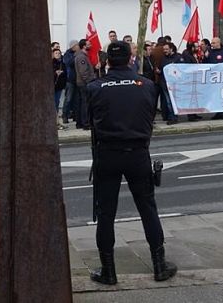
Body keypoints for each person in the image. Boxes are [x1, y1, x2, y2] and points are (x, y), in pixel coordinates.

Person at [87, 41, 177, 285]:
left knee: (106, 213)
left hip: (107, 153)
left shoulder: (95, 87)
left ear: (107, 61)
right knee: (147, 208)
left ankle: (108, 271)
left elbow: (89, 120)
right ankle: (159, 265)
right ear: (130, 59)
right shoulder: (147, 85)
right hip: (138, 153)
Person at [75, 39, 97, 130]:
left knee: (84, 103)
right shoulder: (81, 57)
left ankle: (81, 122)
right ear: (84, 46)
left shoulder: (83, 56)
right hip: (85, 83)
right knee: (85, 103)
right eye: (88, 44)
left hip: (85, 83)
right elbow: (83, 72)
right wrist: (89, 82)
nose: (90, 45)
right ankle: (85, 123)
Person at [159, 43, 181, 125]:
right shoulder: (163, 58)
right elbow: (161, 69)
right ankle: (171, 116)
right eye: (164, 49)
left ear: (171, 49)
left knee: (172, 101)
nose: (164, 51)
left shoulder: (178, 58)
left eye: (166, 49)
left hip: (174, 84)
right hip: (165, 83)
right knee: (168, 101)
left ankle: (174, 117)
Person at [62, 40, 79, 124]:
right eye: (77, 45)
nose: (78, 46)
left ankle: (75, 115)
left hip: (78, 79)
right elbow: (69, 63)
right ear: (73, 46)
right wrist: (76, 55)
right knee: (68, 99)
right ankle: (65, 115)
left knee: (76, 99)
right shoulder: (67, 54)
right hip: (70, 80)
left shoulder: (78, 53)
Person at [53, 48, 67, 115]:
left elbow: (66, 73)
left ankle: (56, 115)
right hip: (52, 85)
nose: (58, 54)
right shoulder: (51, 63)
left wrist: (62, 72)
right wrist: (55, 73)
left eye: (59, 53)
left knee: (57, 101)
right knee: (53, 101)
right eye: (56, 53)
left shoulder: (63, 63)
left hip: (59, 85)